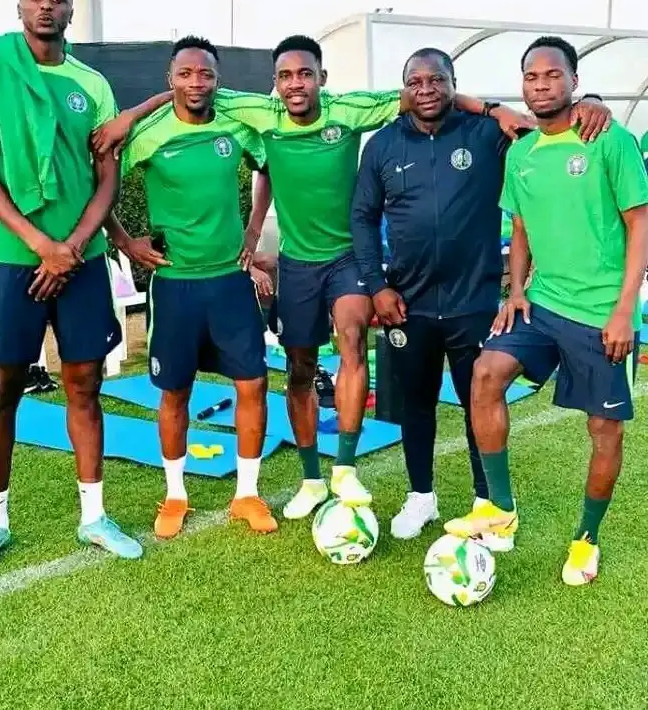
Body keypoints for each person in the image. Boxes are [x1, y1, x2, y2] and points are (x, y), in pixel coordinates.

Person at [92, 35, 533, 520]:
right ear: (274, 83)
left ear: (322, 78)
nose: (296, 84)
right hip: (295, 264)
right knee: (299, 368)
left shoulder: (349, 109)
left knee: (352, 341)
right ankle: (310, 479)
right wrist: (130, 118)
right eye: (285, 76)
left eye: (305, 74)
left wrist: (492, 109)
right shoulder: (258, 114)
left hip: (347, 259)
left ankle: (344, 467)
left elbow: (423, 93)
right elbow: (191, 95)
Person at [351, 47, 611, 539]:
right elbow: (362, 218)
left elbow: (548, 126)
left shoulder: (487, 134)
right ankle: (421, 497)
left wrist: (592, 102)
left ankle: (484, 500)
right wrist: (377, 285)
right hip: (407, 303)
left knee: (480, 399)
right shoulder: (383, 144)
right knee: (416, 402)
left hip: (474, 301)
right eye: (415, 82)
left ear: (454, 84)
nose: (426, 90)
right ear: (404, 89)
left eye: (437, 80)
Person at [0, 0, 142, 573]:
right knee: (1, 390)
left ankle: (94, 517)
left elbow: (107, 177)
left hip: (81, 260)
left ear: (70, 12)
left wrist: (73, 246)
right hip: (16, 260)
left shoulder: (92, 83)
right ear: (18, 9)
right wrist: (41, 244)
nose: (46, 5)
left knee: (84, 384)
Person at [445, 36, 648, 587]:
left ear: (574, 81)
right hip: (545, 303)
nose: (541, 85)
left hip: (601, 312)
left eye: (553, 75)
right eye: (531, 77)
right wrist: (516, 291)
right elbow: (520, 226)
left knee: (604, 429)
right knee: (486, 373)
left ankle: (587, 538)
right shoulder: (521, 153)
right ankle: (500, 510)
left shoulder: (609, 140)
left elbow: (640, 224)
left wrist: (624, 310)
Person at [106, 36, 278, 536]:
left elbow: (267, 168)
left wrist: (253, 229)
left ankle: (247, 494)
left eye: (206, 74)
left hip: (230, 281)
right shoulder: (148, 134)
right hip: (174, 286)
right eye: (185, 74)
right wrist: (124, 240)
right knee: (175, 391)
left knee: (253, 383)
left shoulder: (236, 126)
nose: (196, 82)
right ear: (170, 79)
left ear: (217, 80)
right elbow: (100, 183)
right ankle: (175, 495)